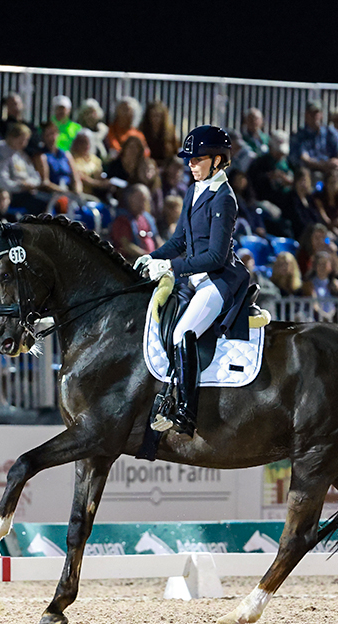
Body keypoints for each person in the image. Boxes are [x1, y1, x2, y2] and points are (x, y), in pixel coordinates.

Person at [135, 125, 248, 437]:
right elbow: (180, 240)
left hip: (218, 280)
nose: (190, 164)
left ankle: (186, 412)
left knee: (183, 333)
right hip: (194, 277)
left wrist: (170, 268)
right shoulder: (193, 190)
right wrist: (153, 257)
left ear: (217, 160)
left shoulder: (223, 198)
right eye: (190, 159)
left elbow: (216, 257)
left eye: (197, 159)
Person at [0, 123, 44, 213]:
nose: (24, 144)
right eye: (21, 140)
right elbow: (1, 182)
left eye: (26, 140)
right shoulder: (1, 155)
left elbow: (35, 176)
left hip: (26, 192)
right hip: (10, 194)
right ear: (11, 138)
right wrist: (20, 186)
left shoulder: (21, 155)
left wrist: (29, 183)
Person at [289, 101, 338, 175]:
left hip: (331, 171)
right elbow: (304, 159)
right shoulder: (299, 135)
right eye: (311, 113)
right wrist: (322, 165)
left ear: (321, 115)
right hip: (310, 171)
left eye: (317, 113)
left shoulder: (331, 132)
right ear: (306, 115)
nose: (314, 116)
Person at [110, 184, 160, 261]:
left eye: (145, 200)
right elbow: (126, 246)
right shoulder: (122, 219)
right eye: (139, 199)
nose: (142, 203)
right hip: (131, 262)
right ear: (130, 199)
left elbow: (157, 239)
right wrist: (147, 256)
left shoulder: (148, 218)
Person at [34, 122, 83, 196]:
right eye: (48, 135)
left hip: (69, 191)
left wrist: (77, 192)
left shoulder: (66, 154)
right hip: (53, 194)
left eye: (53, 134)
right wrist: (63, 191)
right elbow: (45, 182)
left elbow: (75, 178)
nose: (52, 138)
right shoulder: (42, 156)